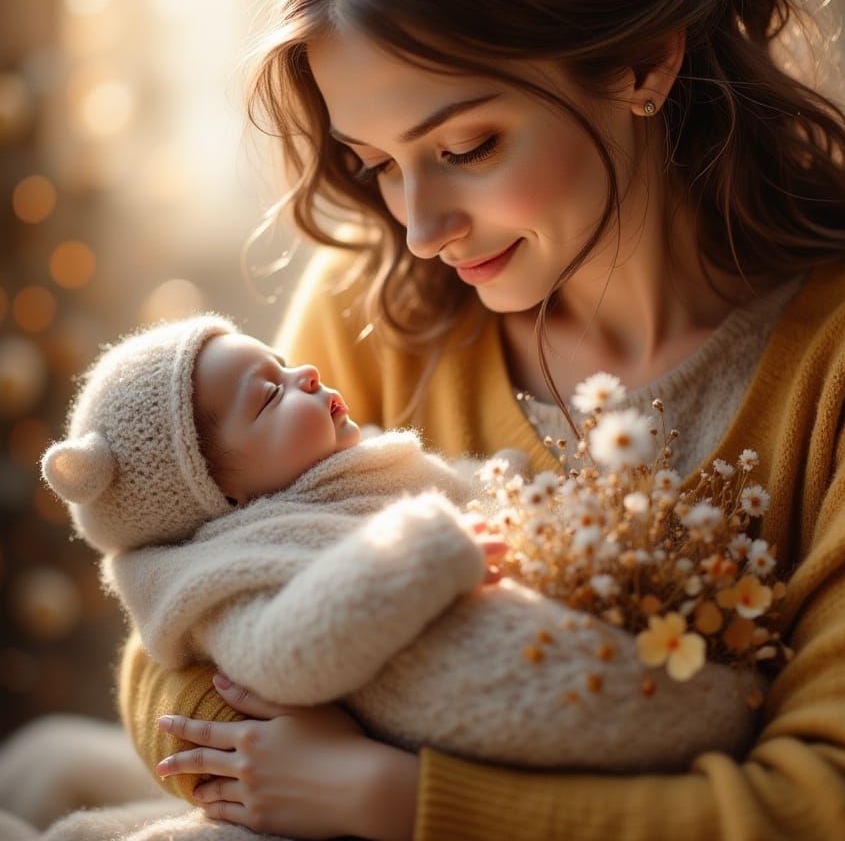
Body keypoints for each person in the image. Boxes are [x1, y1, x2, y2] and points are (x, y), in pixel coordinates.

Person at [119, 0, 845, 838]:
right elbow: (171, 644)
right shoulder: (377, 309)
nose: (420, 228)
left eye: (467, 145)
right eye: (376, 163)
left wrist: (392, 797)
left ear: (643, 61)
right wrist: (286, 750)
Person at [41, 314, 756, 798]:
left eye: (282, 364)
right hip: (453, 706)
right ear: (223, 495)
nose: (306, 372)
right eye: (268, 395)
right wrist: (423, 546)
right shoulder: (242, 562)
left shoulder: (341, 470)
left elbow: (450, 485)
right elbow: (286, 651)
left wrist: (518, 494)